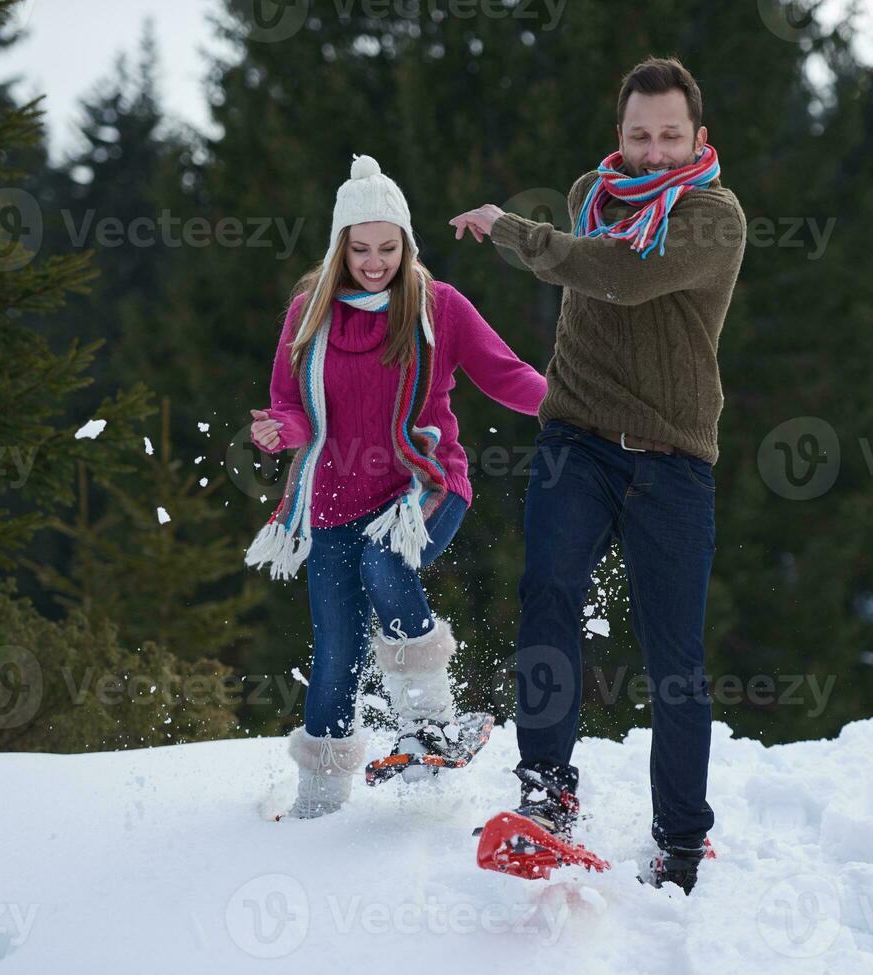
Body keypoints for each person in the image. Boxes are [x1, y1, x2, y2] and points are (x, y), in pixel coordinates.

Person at [449, 57, 746, 892]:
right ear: (619, 135)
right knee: (546, 592)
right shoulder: (591, 192)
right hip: (575, 439)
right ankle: (545, 797)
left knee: (674, 655)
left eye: (669, 135)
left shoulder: (713, 215)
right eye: (638, 134)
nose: (653, 151)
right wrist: (546, 240)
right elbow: (588, 256)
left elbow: (617, 275)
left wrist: (514, 232)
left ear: (698, 138)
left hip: (672, 458)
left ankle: (681, 839)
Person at [247, 155, 546, 818]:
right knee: (336, 653)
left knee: (385, 564)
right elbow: (290, 406)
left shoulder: (438, 307)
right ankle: (317, 805)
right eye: (360, 249)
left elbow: (505, 375)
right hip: (330, 503)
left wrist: (569, 405)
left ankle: (428, 724)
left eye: (388, 248)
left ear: (406, 244)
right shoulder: (307, 317)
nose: (375, 262)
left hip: (423, 487)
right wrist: (279, 431)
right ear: (338, 248)